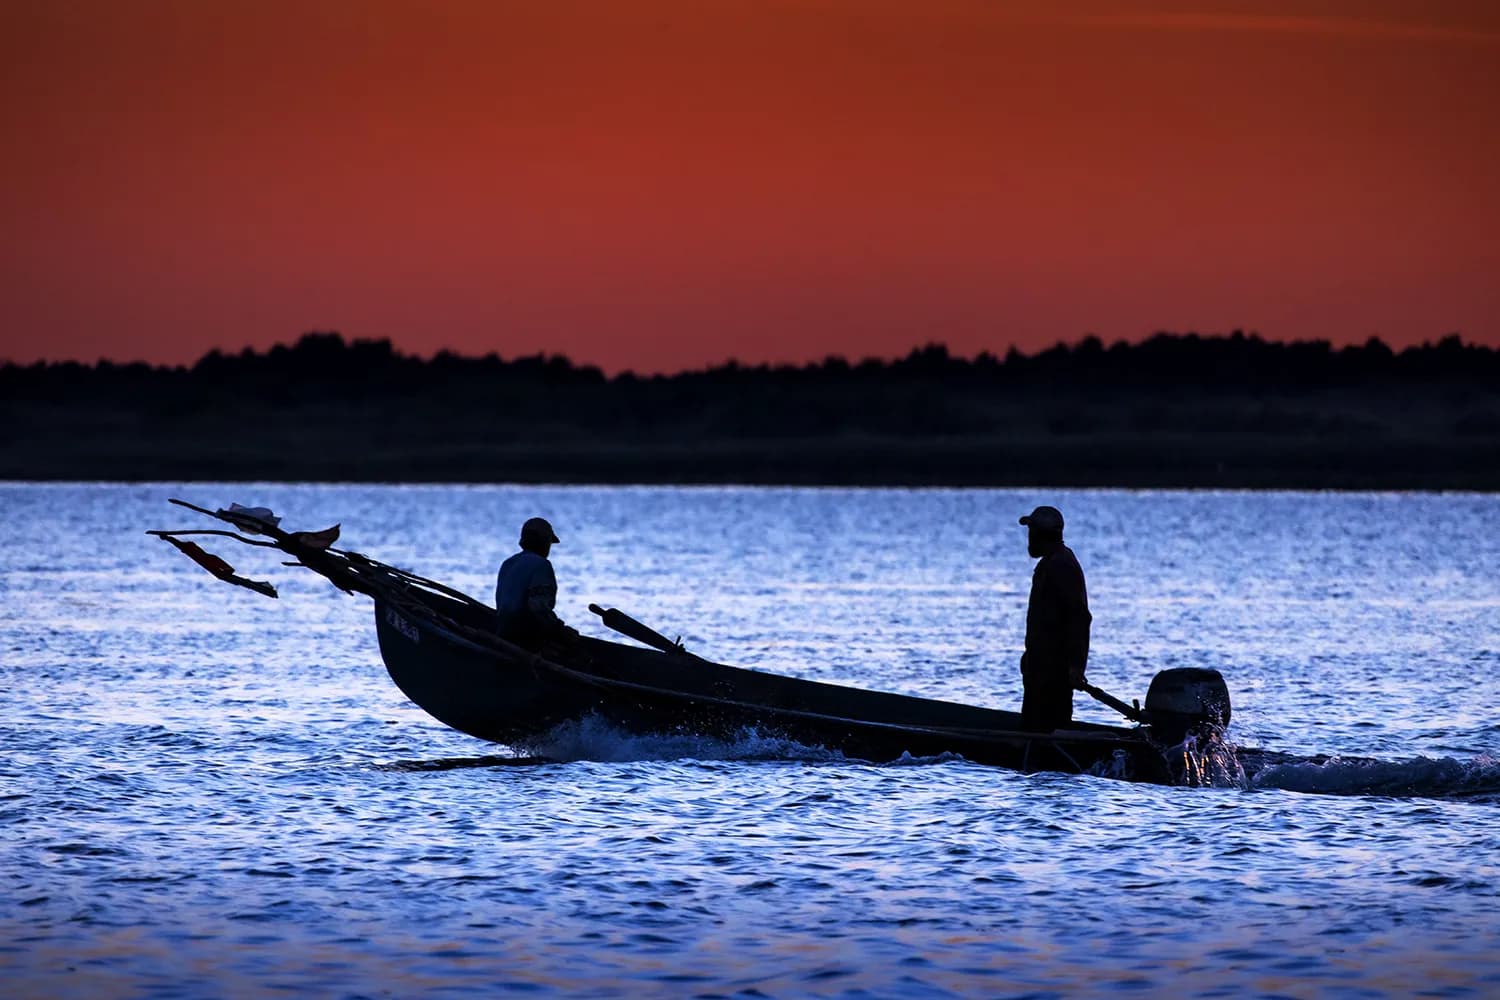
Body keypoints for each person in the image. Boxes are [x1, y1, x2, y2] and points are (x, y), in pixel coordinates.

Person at [1018, 505, 1091, 731]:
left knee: (1047, 731)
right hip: (1039, 672)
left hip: (1053, 675)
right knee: (1035, 731)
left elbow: (1079, 618)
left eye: (1031, 532)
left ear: (1039, 535)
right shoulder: (1050, 563)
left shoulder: (1061, 565)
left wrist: (1076, 667)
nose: (1029, 538)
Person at [495, 517, 575, 646]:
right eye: (549, 543)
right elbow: (538, 607)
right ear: (544, 542)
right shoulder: (542, 565)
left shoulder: (508, 563)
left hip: (503, 631)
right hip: (526, 638)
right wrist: (560, 630)